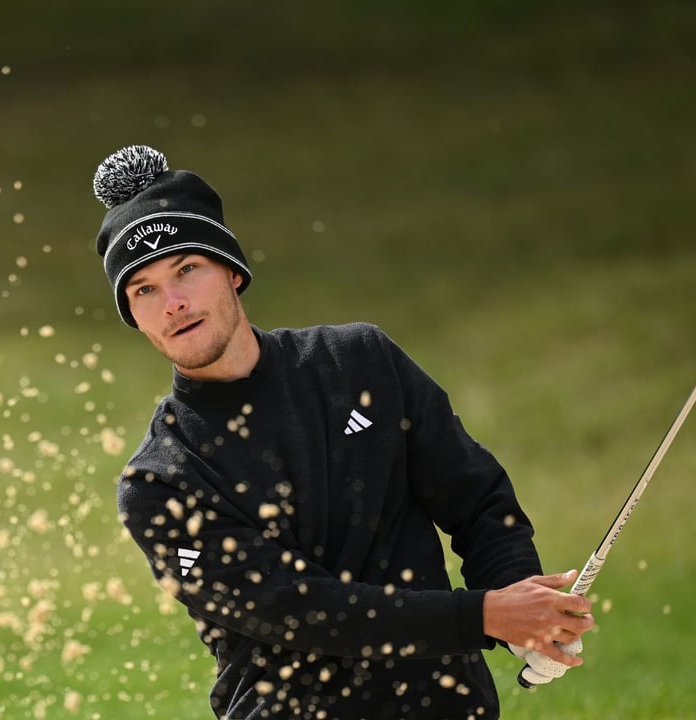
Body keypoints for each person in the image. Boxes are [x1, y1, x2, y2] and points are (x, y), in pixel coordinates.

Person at [92, 145, 594, 719]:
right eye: (145, 290)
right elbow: (299, 609)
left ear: (232, 271)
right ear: (134, 316)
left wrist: (527, 602)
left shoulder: (359, 362)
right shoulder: (161, 482)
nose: (174, 303)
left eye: (186, 270)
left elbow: (476, 498)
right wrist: (485, 615)